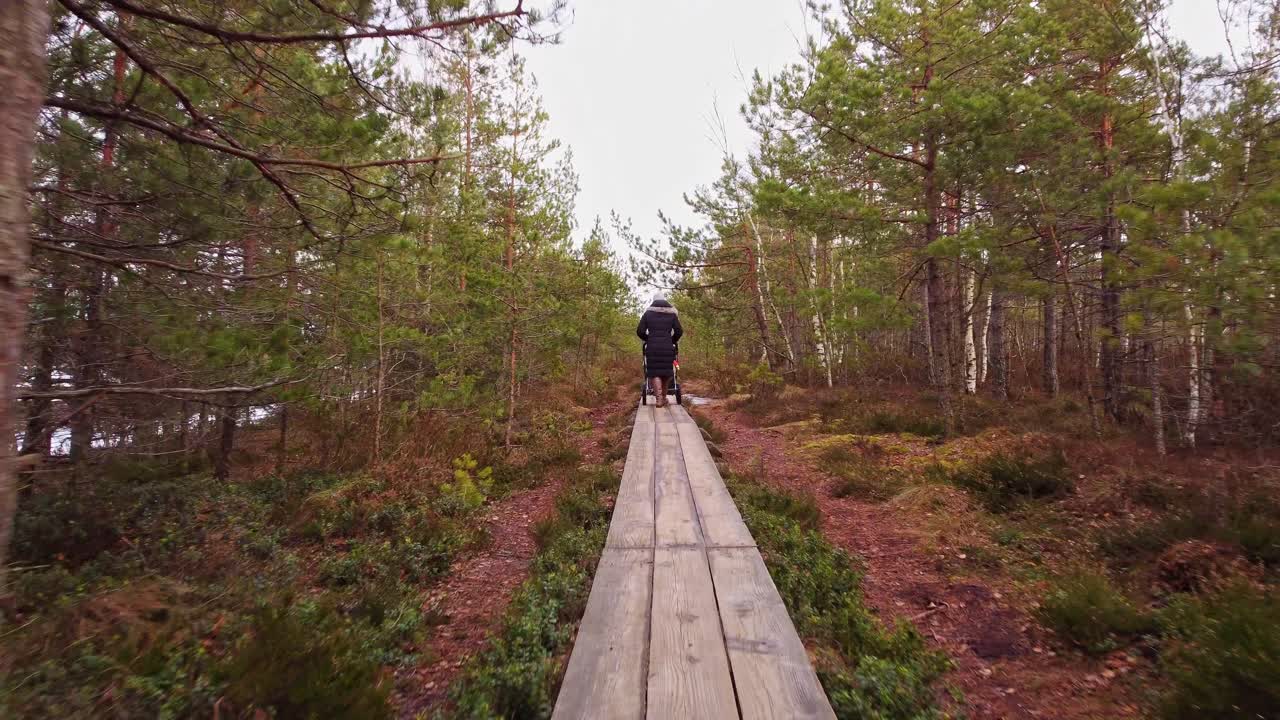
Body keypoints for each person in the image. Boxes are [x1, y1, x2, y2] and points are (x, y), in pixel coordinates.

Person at [636, 293, 683, 407]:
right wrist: (671, 340)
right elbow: (679, 331)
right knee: (666, 373)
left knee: (654, 372)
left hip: (652, 347)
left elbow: (640, 331)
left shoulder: (648, 313)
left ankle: (658, 400)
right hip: (667, 347)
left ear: (654, 301)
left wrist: (648, 339)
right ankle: (664, 397)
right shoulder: (672, 314)